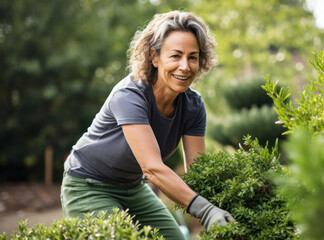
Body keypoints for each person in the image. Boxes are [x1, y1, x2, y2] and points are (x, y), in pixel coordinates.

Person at [60, 10, 234, 239]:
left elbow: (198, 173)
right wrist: (207, 211)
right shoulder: (130, 95)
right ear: (154, 56)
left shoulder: (193, 106)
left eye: (192, 57)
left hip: (132, 188)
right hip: (88, 184)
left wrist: (233, 202)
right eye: (176, 55)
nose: (185, 66)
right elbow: (152, 168)